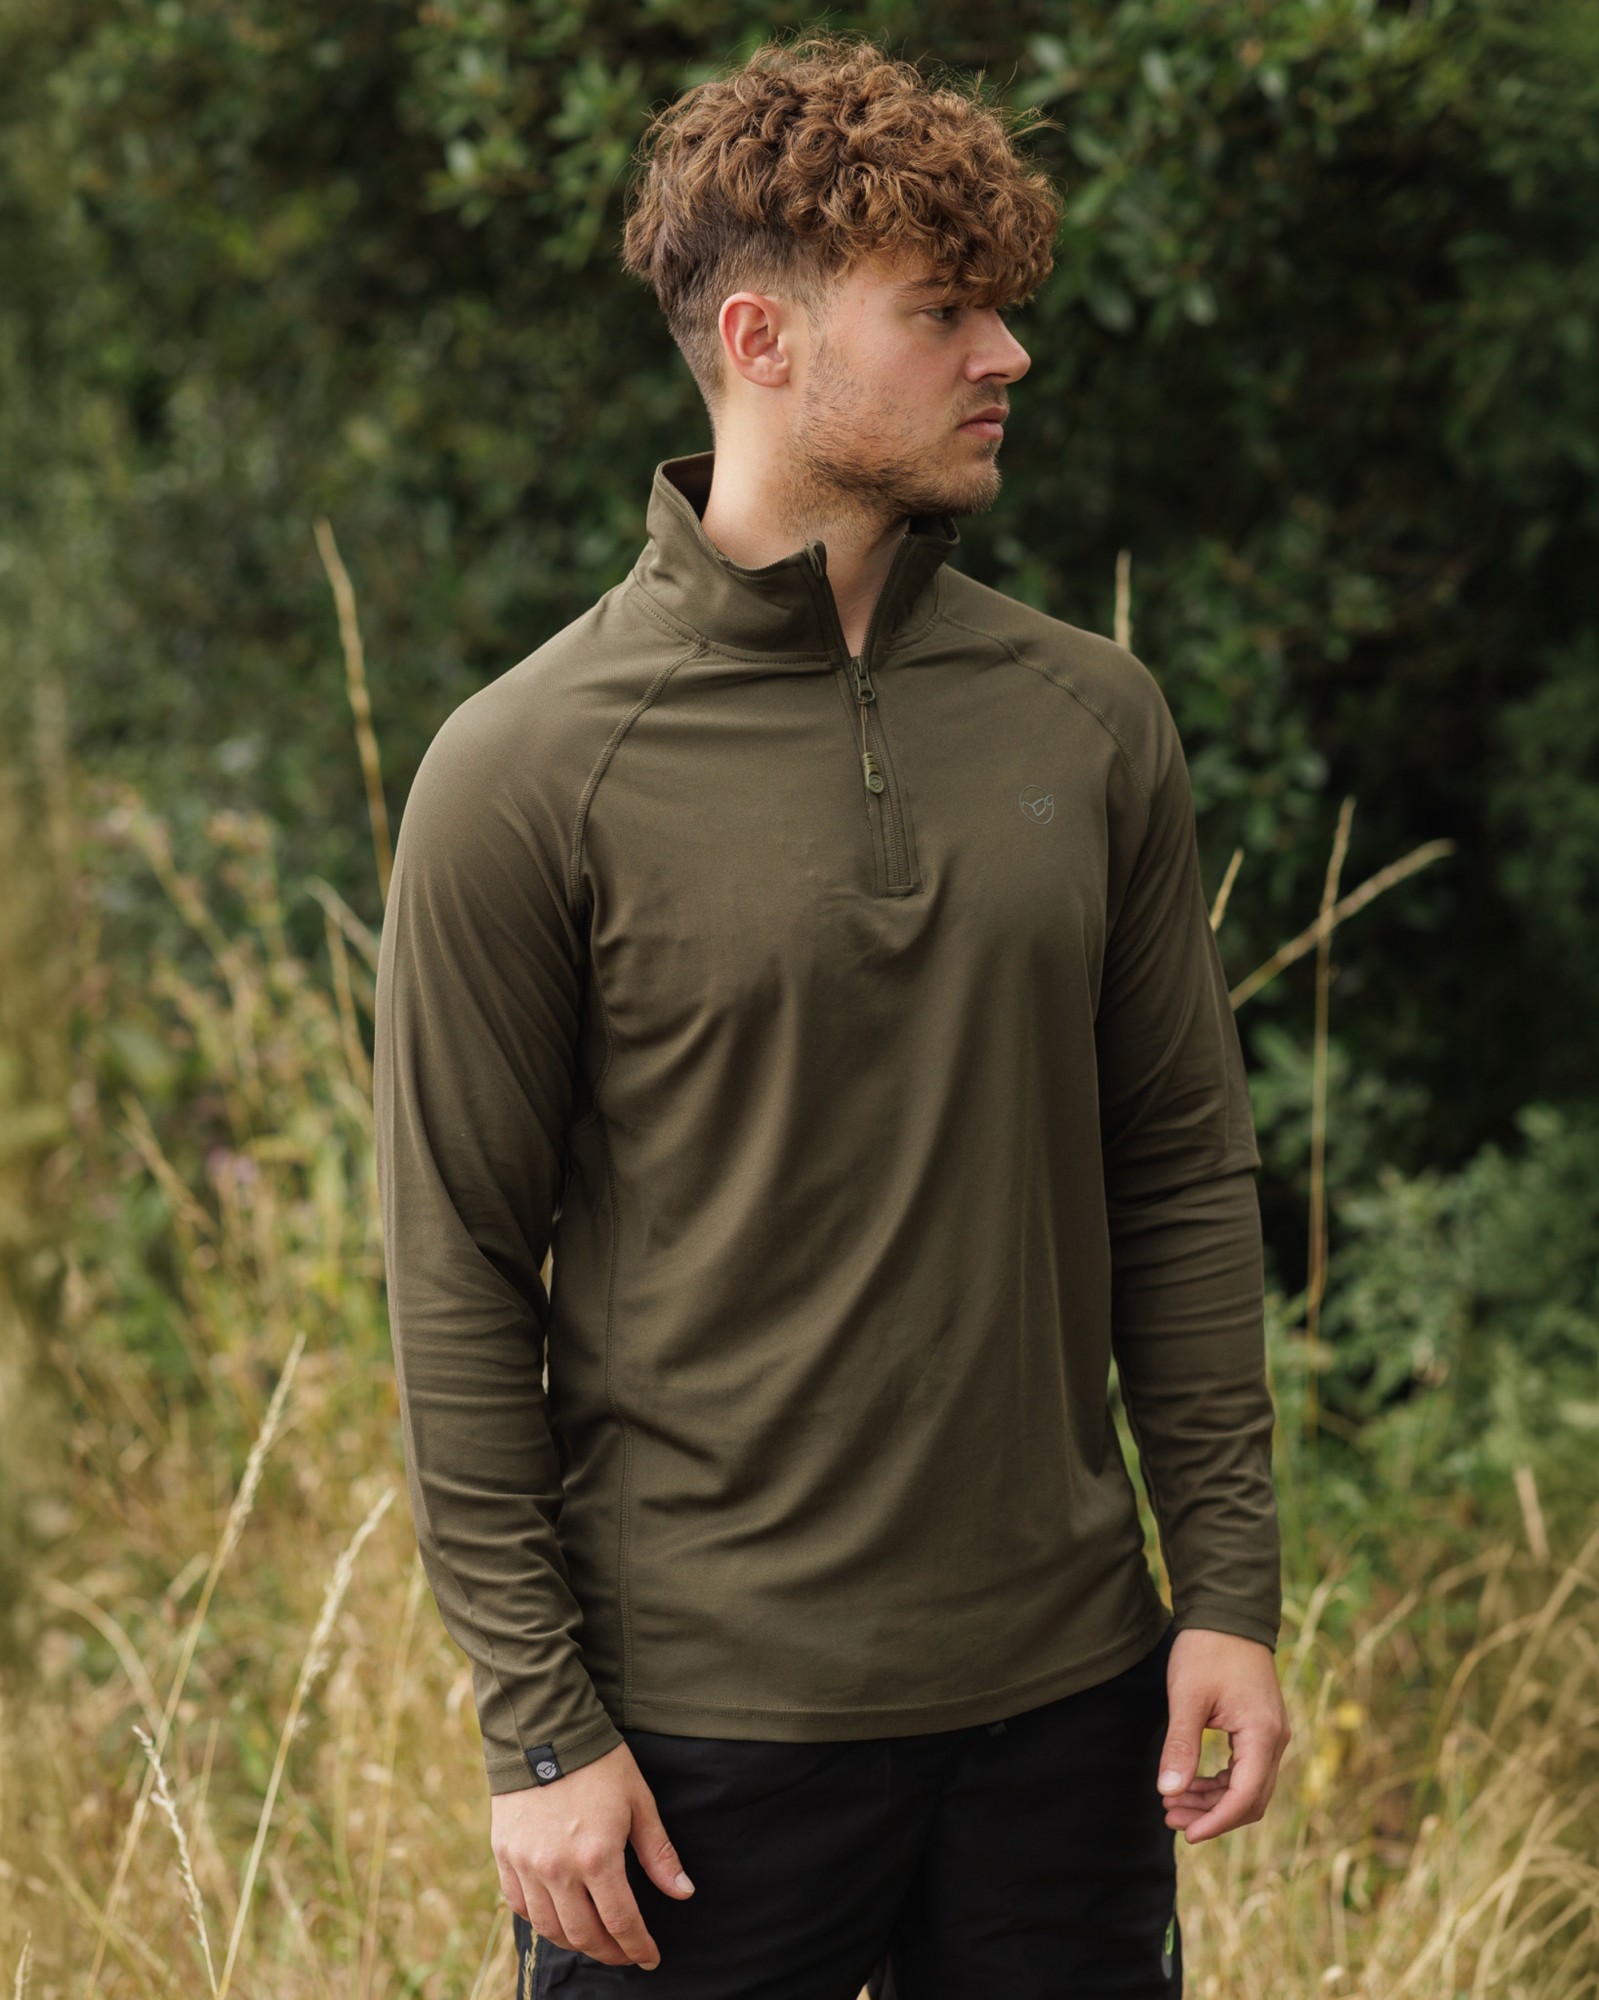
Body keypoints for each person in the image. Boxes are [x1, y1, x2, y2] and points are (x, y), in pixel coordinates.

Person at [372, 28, 1290, 2000]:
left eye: (999, 307)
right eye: (943, 309)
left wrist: (1226, 1591)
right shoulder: (526, 768)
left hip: (1065, 1706)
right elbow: (454, 1268)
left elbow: (1178, 1174)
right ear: (761, 340)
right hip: (695, 1742)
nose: (1005, 354)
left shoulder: (1089, 719)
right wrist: (538, 1729)